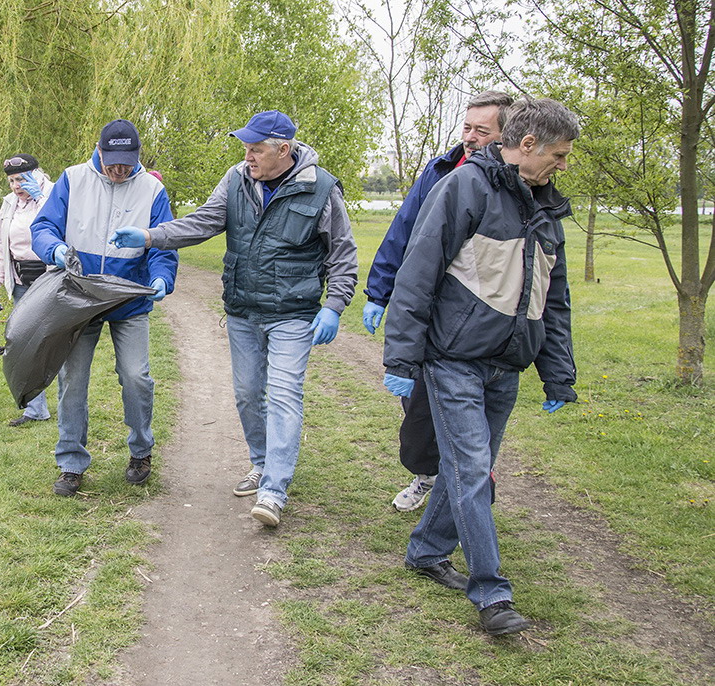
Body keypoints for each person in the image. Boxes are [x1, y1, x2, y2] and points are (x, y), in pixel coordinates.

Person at [381, 97, 580, 635]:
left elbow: (552, 298)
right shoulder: (464, 187)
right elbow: (417, 274)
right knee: (473, 473)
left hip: (505, 367)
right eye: (559, 155)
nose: (563, 166)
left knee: (467, 469)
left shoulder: (547, 209)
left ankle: (426, 550)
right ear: (528, 145)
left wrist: (557, 372)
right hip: (454, 362)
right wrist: (402, 356)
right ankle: (492, 595)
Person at [111, 110, 358, 527]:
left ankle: (273, 492)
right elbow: (203, 222)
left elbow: (343, 254)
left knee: (284, 395)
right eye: (245, 148)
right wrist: (152, 236)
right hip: (243, 310)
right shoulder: (236, 179)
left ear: (284, 149)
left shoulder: (321, 188)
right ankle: (261, 463)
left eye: (256, 149)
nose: (248, 157)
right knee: (247, 393)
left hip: (293, 313)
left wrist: (334, 306)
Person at [363, 91, 513, 511]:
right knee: (418, 409)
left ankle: (466, 496)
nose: (470, 137)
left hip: (473, 319)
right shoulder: (439, 169)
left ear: (507, 135)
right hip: (422, 308)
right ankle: (427, 476)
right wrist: (379, 292)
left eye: (482, 130)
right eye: (467, 127)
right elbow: (402, 230)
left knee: (466, 417)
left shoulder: (512, 185)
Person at [29, 119, 178, 496]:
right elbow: (43, 228)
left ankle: (141, 451)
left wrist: (162, 277)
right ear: (99, 151)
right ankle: (71, 462)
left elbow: (163, 244)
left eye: (127, 163)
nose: (119, 170)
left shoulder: (152, 190)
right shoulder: (73, 179)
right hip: (79, 298)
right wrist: (54, 249)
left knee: (136, 376)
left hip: (129, 299)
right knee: (72, 379)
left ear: (138, 156)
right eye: (112, 162)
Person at [0, 153, 55, 426]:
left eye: (21, 179)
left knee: (56, 342)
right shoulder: (9, 205)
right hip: (22, 282)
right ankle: (35, 409)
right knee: (26, 344)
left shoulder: (54, 195)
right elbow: (2, 248)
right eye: (12, 181)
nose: (16, 186)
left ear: (36, 175)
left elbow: (62, 228)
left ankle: (71, 406)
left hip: (52, 279)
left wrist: (42, 200)